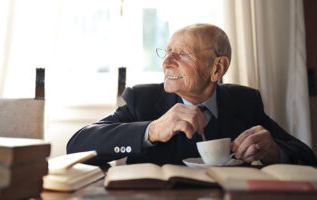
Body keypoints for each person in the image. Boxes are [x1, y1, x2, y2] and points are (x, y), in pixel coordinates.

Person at [67, 23, 317, 166]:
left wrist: (276, 152)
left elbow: (306, 156)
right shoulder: (142, 100)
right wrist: (151, 130)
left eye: (182, 54)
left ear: (217, 68)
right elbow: (77, 146)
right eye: (167, 52)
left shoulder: (244, 101)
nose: (167, 63)